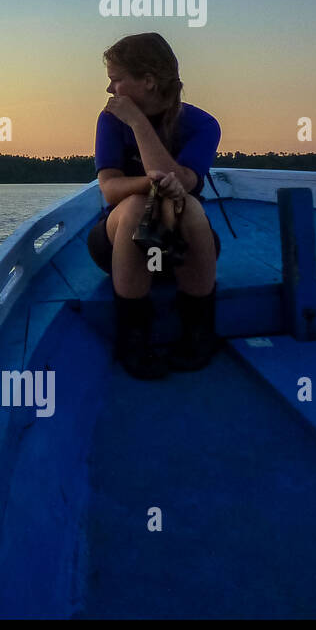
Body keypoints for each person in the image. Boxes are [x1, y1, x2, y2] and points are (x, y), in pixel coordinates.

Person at [88, 33, 221, 379]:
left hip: (181, 247)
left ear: (147, 81)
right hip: (120, 246)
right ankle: (133, 337)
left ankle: (198, 331)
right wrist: (152, 184)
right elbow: (110, 189)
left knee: (188, 205)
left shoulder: (203, 125)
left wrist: (138, 123)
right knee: (134, 206)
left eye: (116, 80)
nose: (110, 91)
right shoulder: (109, 121)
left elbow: (184, 181)